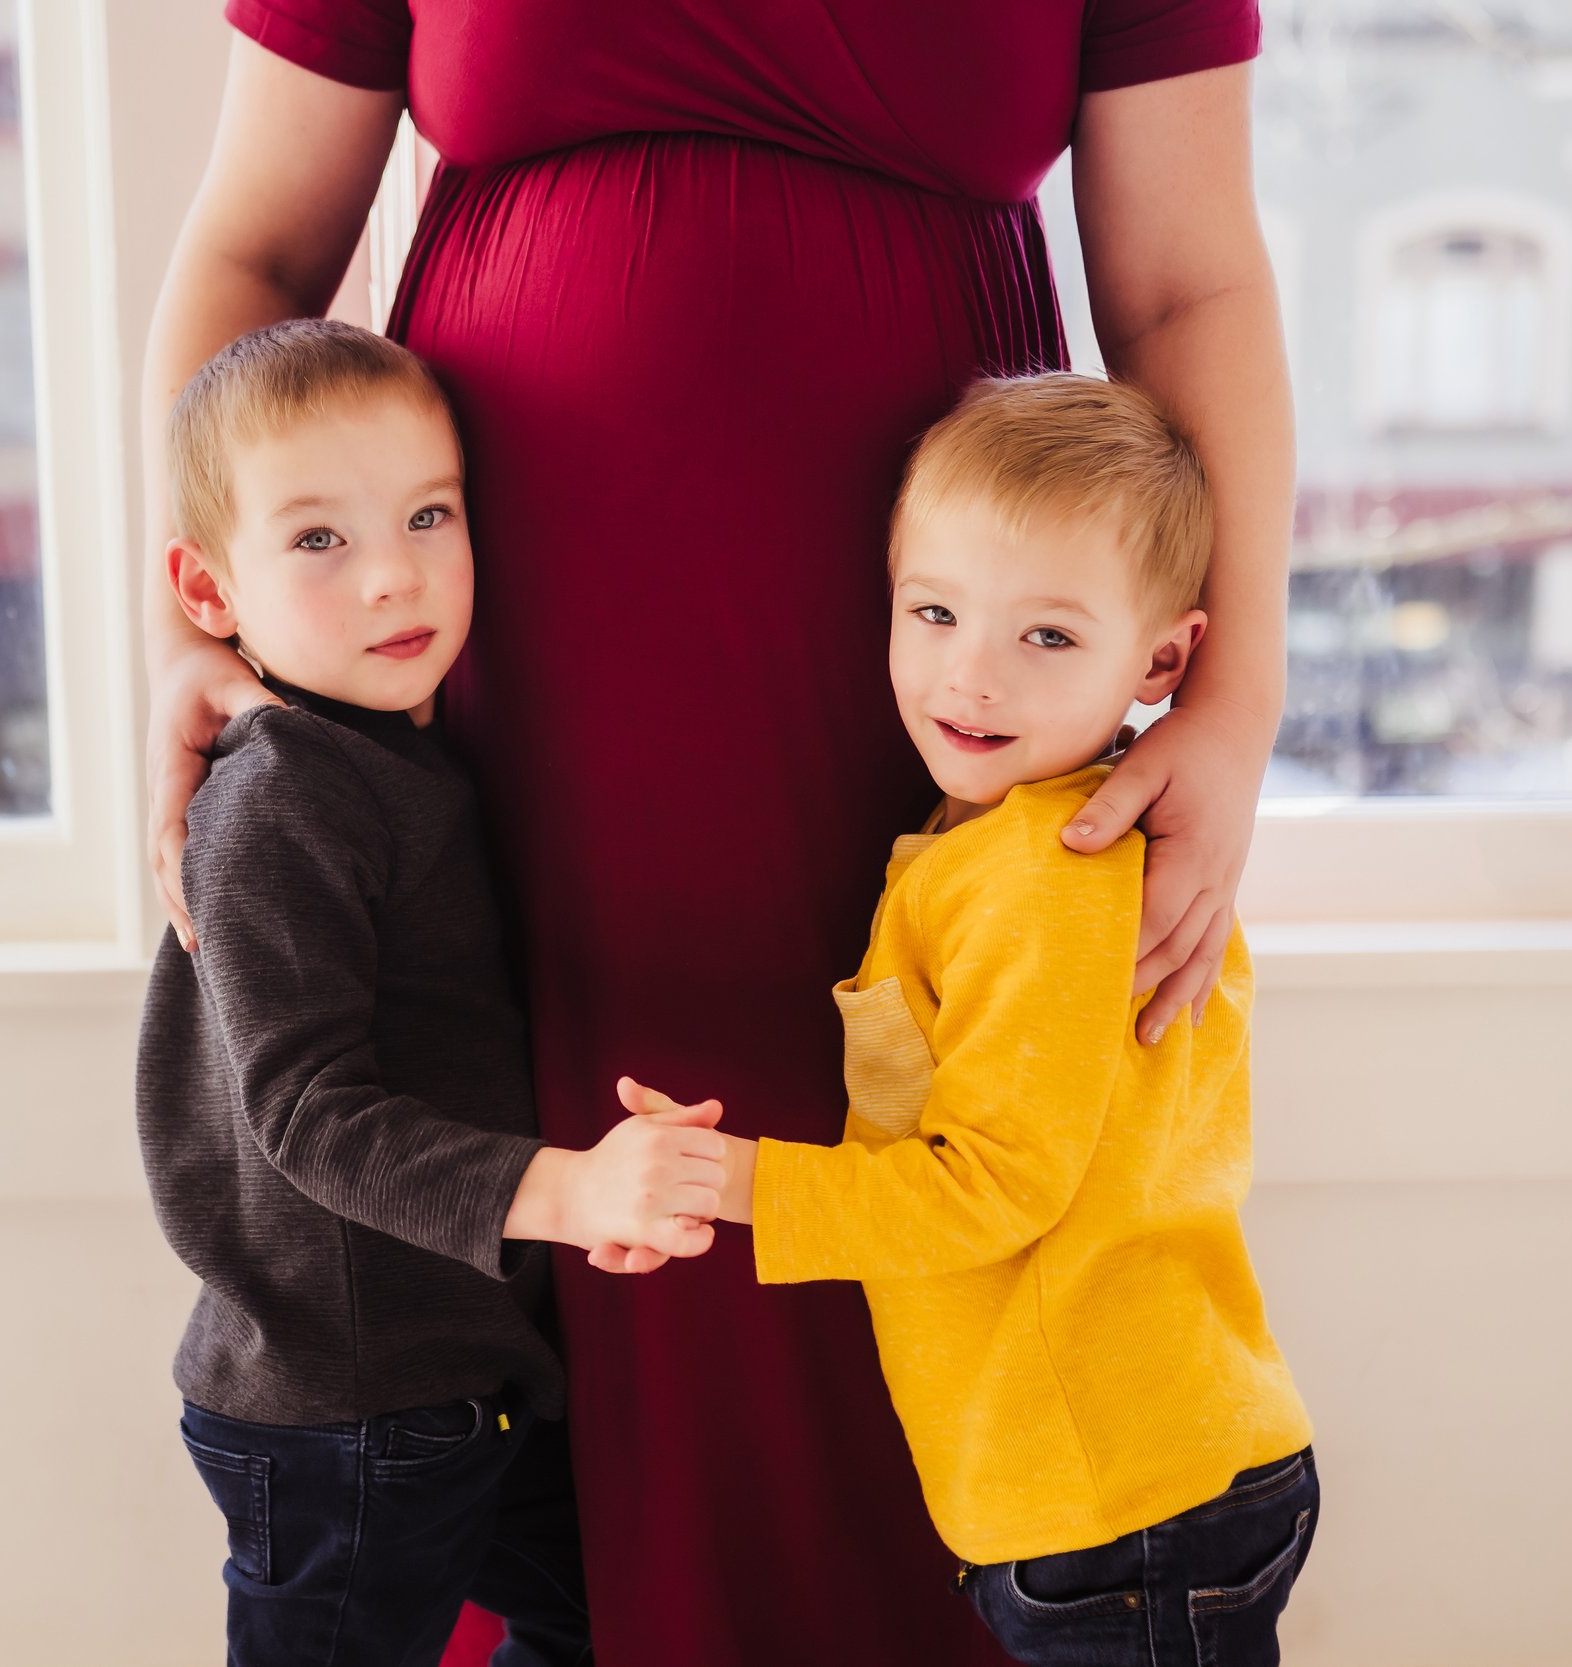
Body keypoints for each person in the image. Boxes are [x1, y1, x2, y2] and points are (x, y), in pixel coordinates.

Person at [139, 6, 1294, 1660]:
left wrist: (1234, 702)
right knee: (555, 1219)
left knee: (877, 1193)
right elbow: (253, 247)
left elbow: (1190, 283)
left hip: (920, 664)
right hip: (495, 668)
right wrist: (184, 630)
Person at [624, 373, 1316, 1666]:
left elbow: (998, 1185)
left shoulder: (1050, 873)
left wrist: (746, 1185)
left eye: (1046, 638)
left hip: (1121, 1506)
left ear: (1162, 659)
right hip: (1095, 1486)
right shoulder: (984, 850)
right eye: (934, 611)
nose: (970, 675)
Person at [134, 318, 729, 1667]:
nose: (394, 576)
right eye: (320, 541)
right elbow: (304, 1112)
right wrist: (566, 1192)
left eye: (427, 515)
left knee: (601, 1620)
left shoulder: (398, 756)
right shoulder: (281, 796)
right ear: (208, 592)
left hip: (456, 1372)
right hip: (347, 1406)